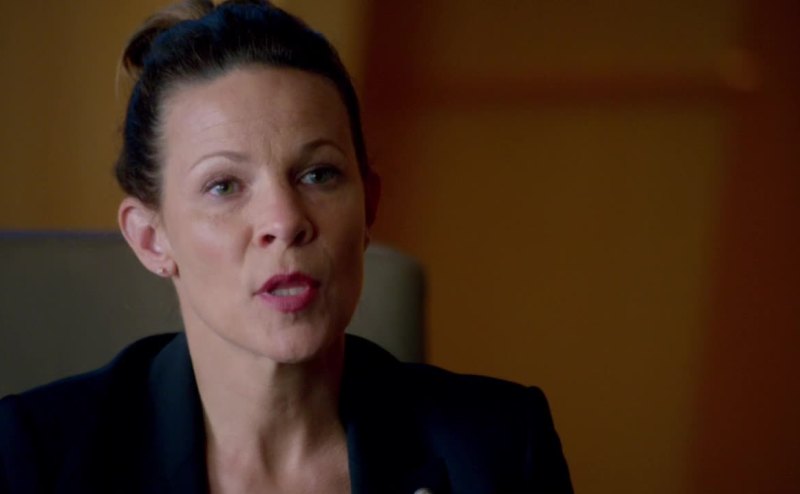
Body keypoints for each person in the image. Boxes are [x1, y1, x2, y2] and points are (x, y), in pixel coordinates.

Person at [0, 1, 573, 492]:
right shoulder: (34, 458)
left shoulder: (500, 449)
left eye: (319, 174)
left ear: (369, 207)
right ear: (152, 239)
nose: (285, 221)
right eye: (224, 186)